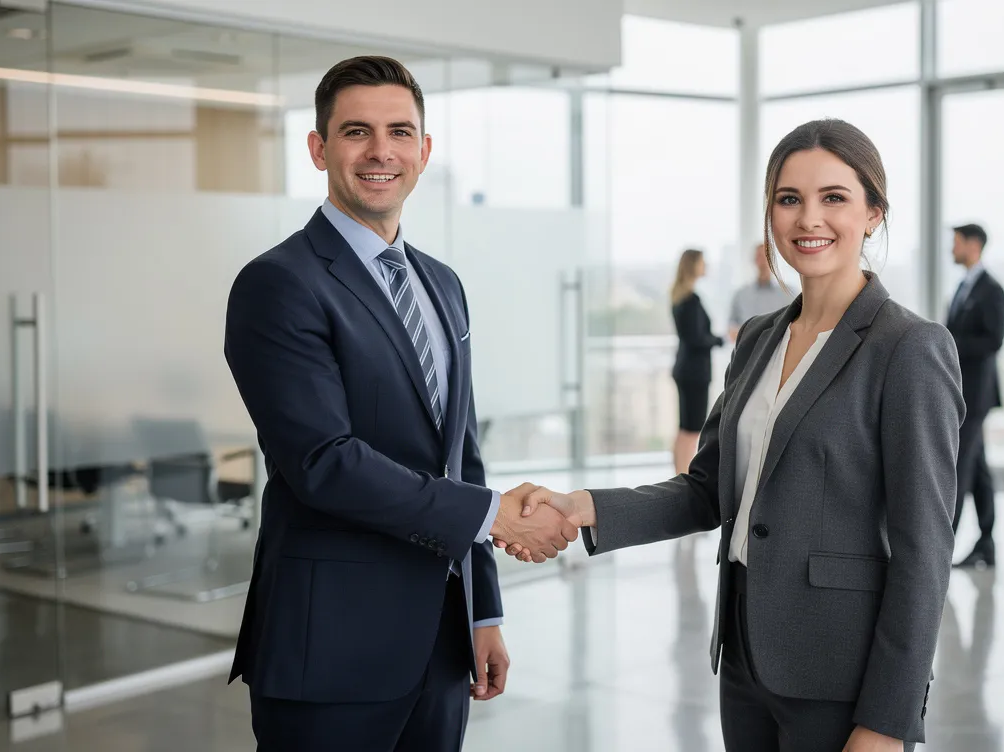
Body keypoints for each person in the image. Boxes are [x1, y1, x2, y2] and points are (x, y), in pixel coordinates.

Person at [505, 119, 964, 752]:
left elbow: (926, 550)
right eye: (789, 198)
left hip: (840, 674)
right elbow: (706, 490)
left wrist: (888, 719)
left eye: (834, 198)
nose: (809, 219)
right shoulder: (758, 338)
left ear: (874, 213)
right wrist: (581, 506)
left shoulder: (908, 348)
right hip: (745, 655)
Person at [222, 55, 575, 752]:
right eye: (356, 132)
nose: (381, 151)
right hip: (330, 650)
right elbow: (323, 462)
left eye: (400, 132)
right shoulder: (278, 283)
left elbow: (461, 455)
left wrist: (483, 615)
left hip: (441, 646)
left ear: (424, 150)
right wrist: (490, 515)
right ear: (319, 148)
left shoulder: (442, 284)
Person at [946, 223, 1004, 569]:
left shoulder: (990, 290)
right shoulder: (963, 287)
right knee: (978, 468)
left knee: (959, 466)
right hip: (962, 391)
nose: (951, 249)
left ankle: (941, 545)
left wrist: (949, 343)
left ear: (973, 245)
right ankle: (987, 542)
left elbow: (993, 340)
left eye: (956, 243)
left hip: (976, 395)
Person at [671, 249, 723, 475]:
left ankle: (680, 475)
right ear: (693, 266)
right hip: (694, 372)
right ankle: (683, 478)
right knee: (691, 430)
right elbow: (696, 338)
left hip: (686, 369)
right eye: (703, 263)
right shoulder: (691, 300)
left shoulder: (681, 296)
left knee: (685, 429)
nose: (706, 267)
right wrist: (721, 339)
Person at [728, 242, 797, 342]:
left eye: (767, 256)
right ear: (754, 260)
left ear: (774, 260)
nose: (764, 261)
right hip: (748, 351)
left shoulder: (789, 293)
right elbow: (732, 325)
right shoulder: (741, 295)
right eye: (760, 256)